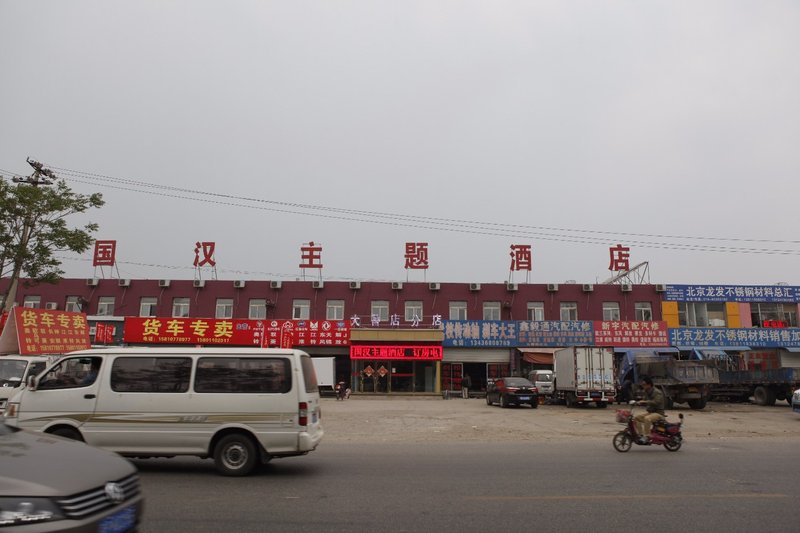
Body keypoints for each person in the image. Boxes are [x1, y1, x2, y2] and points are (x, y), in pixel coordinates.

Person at [634, 376, 665, 443]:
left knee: (647, 419)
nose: (643, 386)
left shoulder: (657, 392)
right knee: (636, 418)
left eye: (644, 385)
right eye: (642, 385)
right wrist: (637, 402)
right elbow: (645, 400)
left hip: (658, 413)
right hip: (651, 412)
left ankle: (647, 436)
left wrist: (644, 402)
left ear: (649, 385)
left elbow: (656, 402)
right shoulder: (647, 391)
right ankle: (641, 435)